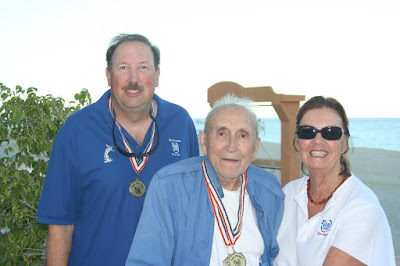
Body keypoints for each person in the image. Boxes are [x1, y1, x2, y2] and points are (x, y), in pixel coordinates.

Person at [36, 33, 199, 265]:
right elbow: (60, 227)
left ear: (157, 75)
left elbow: (194, 210)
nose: (134, 79)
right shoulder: (77, 130)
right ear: (108, 75)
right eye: (123, 67)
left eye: (143, 67)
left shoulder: (181, 123)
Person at [125, 94, 285, 266]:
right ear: (204, 141)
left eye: (243, 135)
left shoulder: (270, 190)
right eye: (222, 133)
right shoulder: (169, 186)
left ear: (255, 148)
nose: (232, 146)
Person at [273, 96, 396, 265]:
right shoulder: (289, 193)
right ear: (297, 141)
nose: (318, 141)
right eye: (307, 132)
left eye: (331, 133)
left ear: (345, 143)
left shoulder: (362, 208)